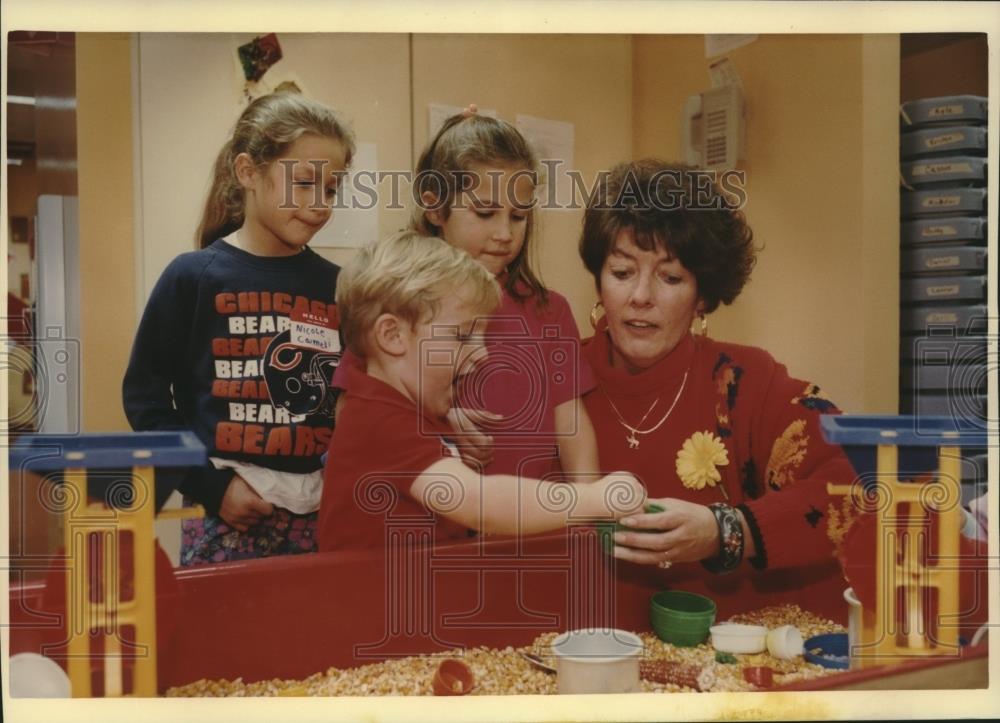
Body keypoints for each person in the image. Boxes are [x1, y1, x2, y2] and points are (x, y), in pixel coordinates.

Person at [578, 159, 858, 617]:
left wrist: (726, 530)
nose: (640, 297)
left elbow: (860, 483)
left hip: (730, 656)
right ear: (598, 281)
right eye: (622, 272)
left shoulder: (747, 381)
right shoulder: (554, 379)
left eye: (670, 278)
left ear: (703, 295)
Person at [123, 91, 355, 565]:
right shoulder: (193, 276)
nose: (320, 205)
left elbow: (352, 399)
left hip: (320, 514)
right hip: (223, 517)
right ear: (249, 172)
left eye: (331, 189)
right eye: (304, 183)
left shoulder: (338, 285)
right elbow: (145, 400)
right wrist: (209, 485)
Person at [318, 231, 643, 552]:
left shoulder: (408, 414)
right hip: (366, 598)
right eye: (462, 338)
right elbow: (478, 502)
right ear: (392, 335)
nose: (482, 354)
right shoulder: (379, 419)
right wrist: (592, 499)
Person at [409, 112, 601, 481]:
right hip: (440, 526)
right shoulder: (399, 302)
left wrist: (592, 512)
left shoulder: (550, 311)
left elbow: (571, 424)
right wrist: (439, 417)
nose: (504, 233)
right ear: (435, 208)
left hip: (536, 523)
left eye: (518, 216)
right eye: (485, 213)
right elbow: (359, 408)